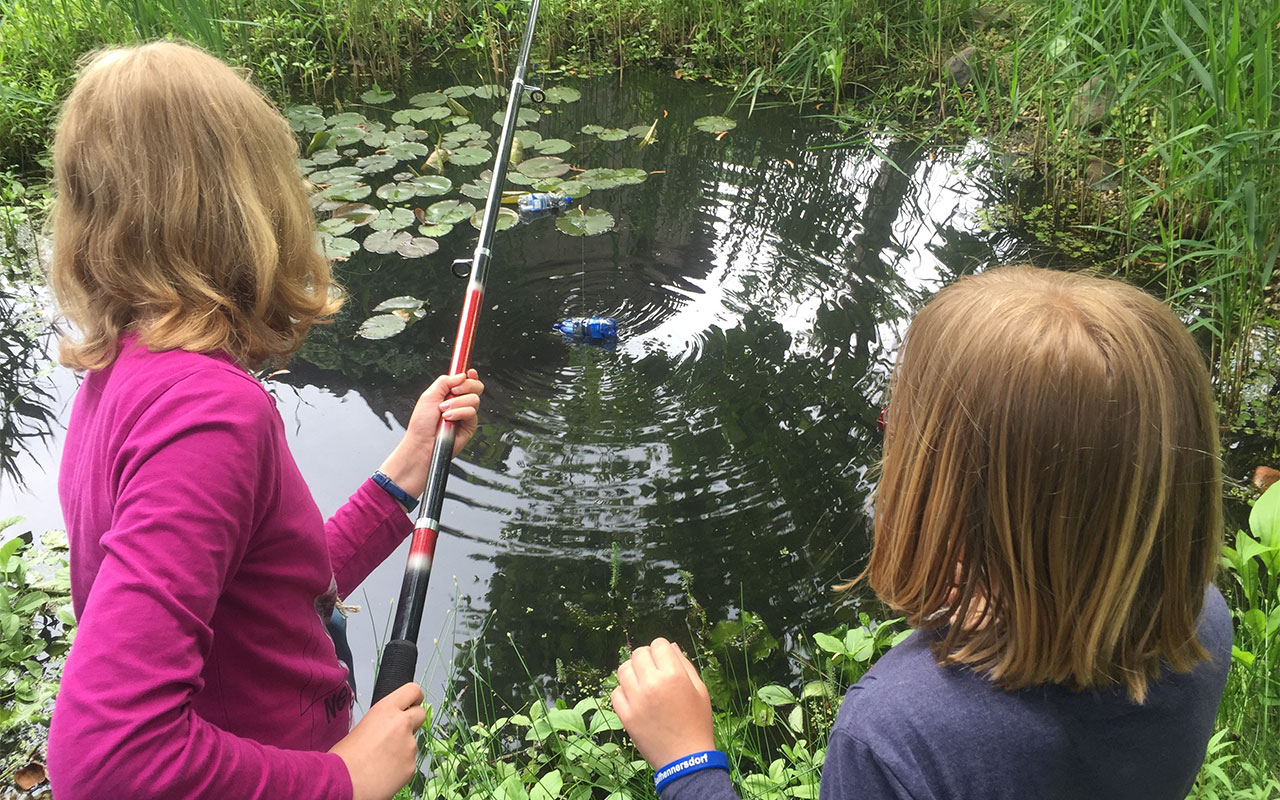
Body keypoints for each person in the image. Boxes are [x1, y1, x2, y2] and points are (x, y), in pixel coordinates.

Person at [45, 42, 484, 800]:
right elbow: (104, 758)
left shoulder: (120, 375)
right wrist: (342, 777)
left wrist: (410, 463)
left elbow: (269, 591)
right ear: (241, 203)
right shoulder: (209, 413)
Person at [612, 266, 1231, 800]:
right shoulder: (1199, 625)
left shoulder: (895, 736)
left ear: (946, 498)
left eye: (900, 429)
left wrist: (687, 763)